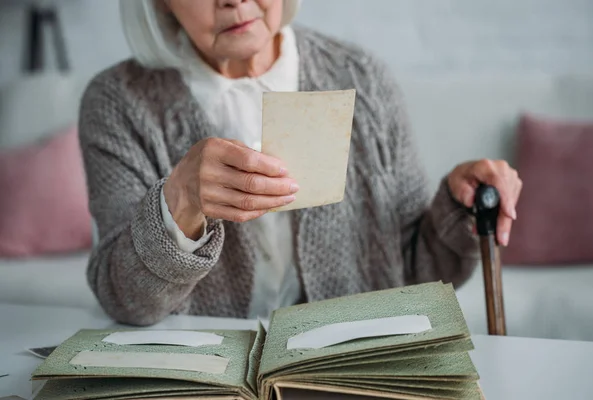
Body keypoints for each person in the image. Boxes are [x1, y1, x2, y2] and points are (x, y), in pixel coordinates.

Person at [79, 0, 522, 326]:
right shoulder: (117, 101)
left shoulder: (362, 76)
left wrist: (458, 206)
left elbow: (416, 275)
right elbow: (125, 301)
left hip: (346, 372)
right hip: (207, 379)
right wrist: (179, 200)